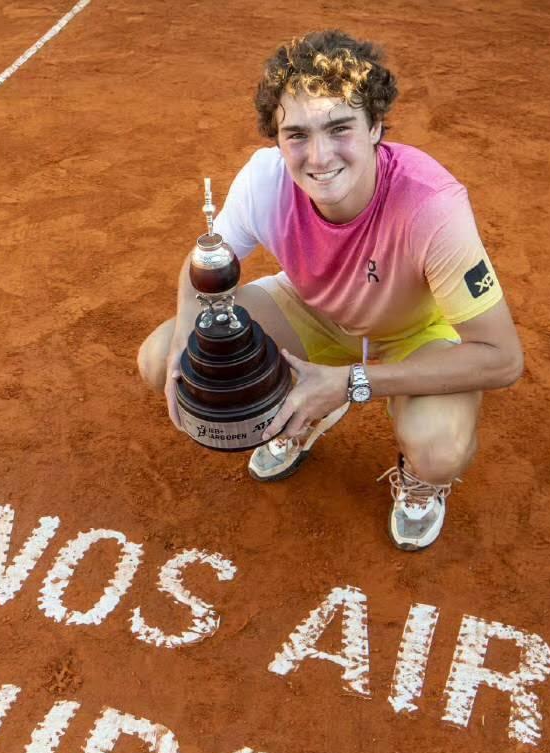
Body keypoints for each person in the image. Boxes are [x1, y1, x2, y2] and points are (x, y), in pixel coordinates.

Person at [137, 30, 523, 551]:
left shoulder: (431, 206)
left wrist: (351, 383)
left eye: (339, 128)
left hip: (414, 332)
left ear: (375, 126)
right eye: (296, 134)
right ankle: (304, 406)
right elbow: (204, 267)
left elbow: (502, 358)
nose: (318, 156)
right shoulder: (265, 180)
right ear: (277, 141)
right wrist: (182, 354)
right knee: (166, 355)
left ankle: (417, 479)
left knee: (438, 447)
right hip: (311, 309)